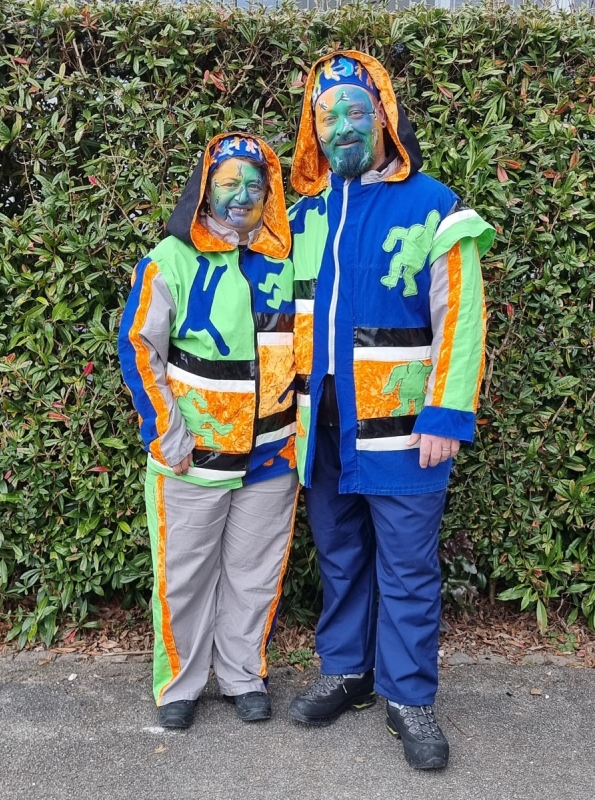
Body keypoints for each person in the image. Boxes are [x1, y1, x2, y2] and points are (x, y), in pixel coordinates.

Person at [287, 52, 494, 769]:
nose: (342, 126)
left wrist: (445, 414)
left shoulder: (434, 204)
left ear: (383, 115)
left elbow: (461, 316)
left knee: (407, 568)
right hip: (322, 429)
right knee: (340, 557)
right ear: (314, 131)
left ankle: (409, 696)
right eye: (327, 115)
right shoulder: (303, 216)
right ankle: (348, 672)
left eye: (355, 110)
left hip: (405, 430)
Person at [118, 133, 297, 729]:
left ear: (269, 192)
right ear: (204, 189)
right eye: (227, 182)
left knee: (255, 574)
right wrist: (167, 434)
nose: (241, 194)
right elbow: (139, 347)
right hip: (192, 456)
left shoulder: (287, 258)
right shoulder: (169, 259)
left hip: (272, 457)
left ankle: (243, 674)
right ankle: (180, 683)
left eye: (253, 183)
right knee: (183, 576)